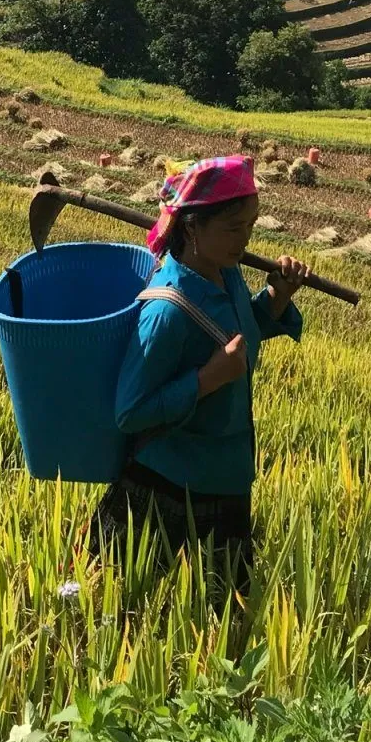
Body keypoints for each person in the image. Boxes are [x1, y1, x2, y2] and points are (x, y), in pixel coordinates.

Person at [93, 154, 310, 603]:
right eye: (233, 228)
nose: (245, 240)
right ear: (192, 228)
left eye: (250, 226)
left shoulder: (225, 274)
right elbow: (130, 412)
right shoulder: (167, 311)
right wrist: (208, 379)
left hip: (226, 480)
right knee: (121, 611)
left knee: (224, 619)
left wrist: (275, 297)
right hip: (165, 488)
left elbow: (239, 332)